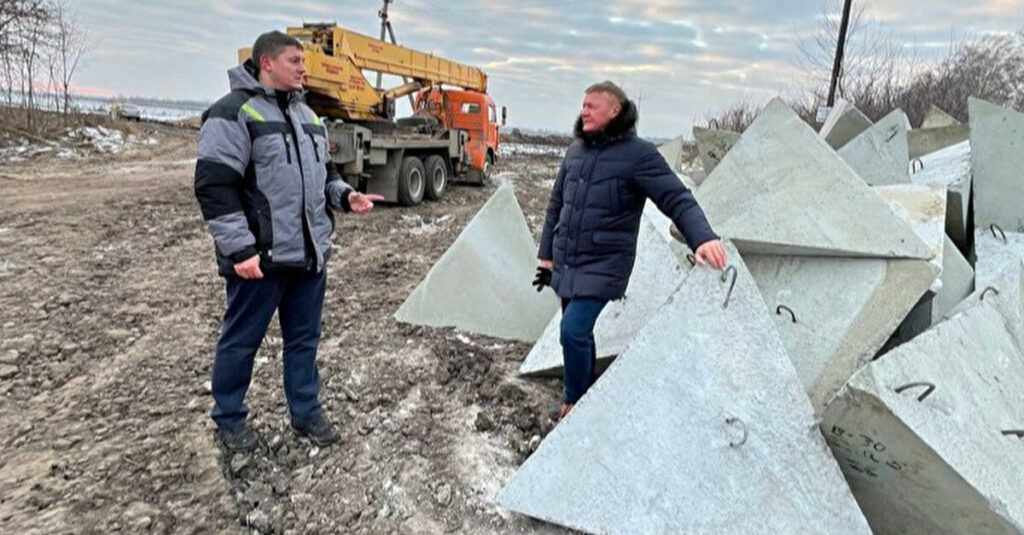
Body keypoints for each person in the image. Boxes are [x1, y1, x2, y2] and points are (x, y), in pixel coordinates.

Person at [194, 31, 382, 451]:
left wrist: (345, 196)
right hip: (260, 260)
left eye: (303, 61)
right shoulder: (232, 113)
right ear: (267, 63)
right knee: (241, 341)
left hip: (308, 255)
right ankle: (229, 419)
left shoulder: (308, 116)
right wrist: (240, 250)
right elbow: (214, 186)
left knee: (303, 341)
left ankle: (306, 412)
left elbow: (325, 176)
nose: (303, 68)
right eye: (295, 61)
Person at [533, 81, 727, 420]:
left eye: (592, 106)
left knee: (572, 331)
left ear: (615, 110)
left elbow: (676, 198)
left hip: (604, 263)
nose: (584, 111)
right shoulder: (575, 151)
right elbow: (556, 205)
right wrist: (546, 253)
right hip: (568, 260)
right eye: (583, 105)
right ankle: (585, 389)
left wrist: (702, 237)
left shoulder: (639, 155)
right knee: (577, 332)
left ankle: (574, 401)